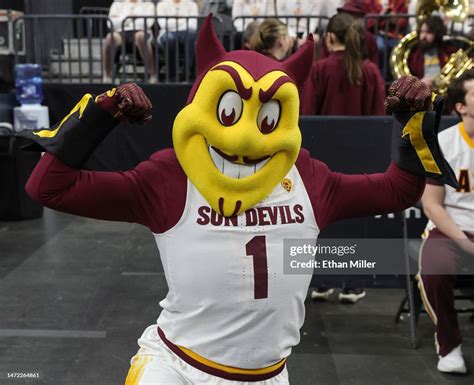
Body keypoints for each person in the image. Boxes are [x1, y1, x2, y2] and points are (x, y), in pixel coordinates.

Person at [22, 16, 457, 385]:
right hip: (178, 367)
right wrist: (96, 118)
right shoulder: (171, 174)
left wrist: (412, 128)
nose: (247, 136)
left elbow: (397, 189)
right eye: (230, 112)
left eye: (267, 118)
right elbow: (49, 188)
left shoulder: (304, 174)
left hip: (267, 374)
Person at [418, 69, 474, 374]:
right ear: (461, 107)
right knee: (435, 268)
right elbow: (432, 205)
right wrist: (465, 242)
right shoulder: (442, 144)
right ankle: (450, 345)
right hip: (451, 229)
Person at [300, 13, 386, 116]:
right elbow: (380, 113)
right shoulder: (371, 70)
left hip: (324, 132)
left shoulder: (318, 69)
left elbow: (307, 112)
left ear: (330, 36)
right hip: (363, 132)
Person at [103, 0, 157, 83]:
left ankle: (153, 75)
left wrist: (121, 19)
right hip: (120, 32)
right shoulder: (117, 3)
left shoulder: (148, 4)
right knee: (110, 38)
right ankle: (107, 76)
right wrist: (128, 18)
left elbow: (147, 22)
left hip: (141, 31)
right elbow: (111, 23)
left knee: (140, 37)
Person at [318, 0, 379, 66]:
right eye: (345, 15)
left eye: (353, 16)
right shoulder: (331, 36)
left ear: (360, 19)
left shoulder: (368, 39)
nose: (348, 21)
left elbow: (374, 65)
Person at [407, 15, 458, 90]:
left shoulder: (449, 52)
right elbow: (408, 83)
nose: (424, 36)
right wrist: (420, 83)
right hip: (422, 94)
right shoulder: (413, 56)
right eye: (422, 32)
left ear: (436, 34)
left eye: (428, 32)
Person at [156, 0, 199, 81]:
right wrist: (183, 20)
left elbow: (193, 25)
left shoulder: (192, 5)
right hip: (167, 33)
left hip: (186, 33)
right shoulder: (161, 5)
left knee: (191, 34)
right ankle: (172, 75)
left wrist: (174, 21)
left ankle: (186, 73)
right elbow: (163, 24)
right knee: (169, 39)